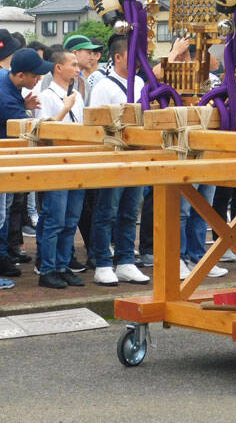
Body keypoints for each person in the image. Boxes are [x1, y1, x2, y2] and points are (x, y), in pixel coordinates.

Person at [0, 48, 52, 290]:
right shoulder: (4, 96)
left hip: (0, 155)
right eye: (35, 75)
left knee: (4, 208)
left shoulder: (2, 76)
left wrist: (23, 103)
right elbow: (31, 129)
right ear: (20, 75)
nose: (38, 79)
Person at [88, 34, 150, 286]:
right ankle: (102, 262)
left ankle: (125, 261)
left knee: (129, 211)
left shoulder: (139, 82)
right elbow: (95, 124)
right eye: (132, 55)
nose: (137, 61)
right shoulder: (104, 86)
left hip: (135, 156)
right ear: (118, 57)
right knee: (107, 211)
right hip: (112, 156)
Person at [34, 49, 86, 289]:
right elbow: (44, 131)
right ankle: (47, 268)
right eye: (73, 65)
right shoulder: (45, 95)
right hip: (55, 164)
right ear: (58, 68)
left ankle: (63, 266)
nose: (77, 69)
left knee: (71, 219)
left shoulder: (77, 95)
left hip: (77, 162)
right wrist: (65, 108)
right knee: (54, 218)